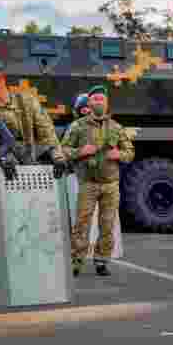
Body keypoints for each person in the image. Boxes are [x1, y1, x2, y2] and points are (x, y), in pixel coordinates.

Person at [0, 56, 67, 201]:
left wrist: (57, 157)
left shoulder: (26, 101)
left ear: (1, 78)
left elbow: (47, 134)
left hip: (28, 171)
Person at [61, 85, 135, 277]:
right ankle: (76, 262)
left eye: (102, 99)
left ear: (106, 102)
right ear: (90, 103)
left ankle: (102, 261)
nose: (98, 102)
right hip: (88, 183)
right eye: (95, 100)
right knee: (82, 224)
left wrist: (119, 154)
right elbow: (63, 150)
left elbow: (130, 152)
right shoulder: (77, 127)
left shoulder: (116, 128)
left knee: (107, 224)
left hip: (111, 184)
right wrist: (79, 152)